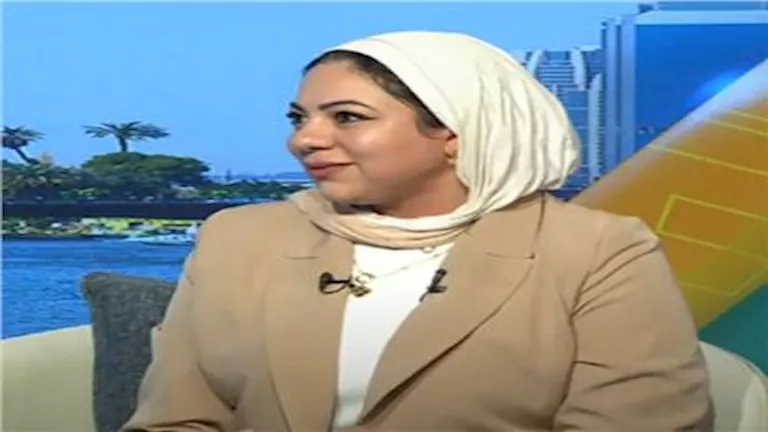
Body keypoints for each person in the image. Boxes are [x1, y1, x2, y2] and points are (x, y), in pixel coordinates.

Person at [123, 31, 713, 431]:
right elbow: (176, 418)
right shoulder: (239, 237)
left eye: (347, 117)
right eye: (300, 118)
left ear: (454, 132)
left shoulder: (598, 250)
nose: (304, 140)